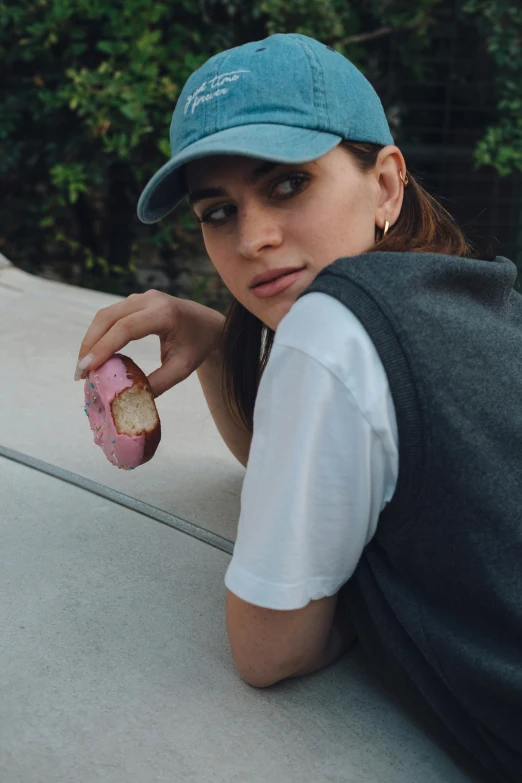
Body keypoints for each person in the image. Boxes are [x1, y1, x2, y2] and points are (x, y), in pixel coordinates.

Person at [74, 33, 522, 782]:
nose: (254, 238)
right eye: (218, 211)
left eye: (286, 185)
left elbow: (269, 648)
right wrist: (218, 343)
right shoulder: (468, 295)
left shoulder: (332, 328)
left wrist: (365, 600)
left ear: (385, 182)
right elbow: (305, 471)